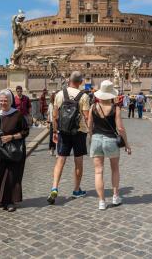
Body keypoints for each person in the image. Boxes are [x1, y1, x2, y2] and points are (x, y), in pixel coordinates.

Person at [0, 89, 29, 212]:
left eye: (5, 100)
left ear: (10, 101)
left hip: (12, 152)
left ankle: (10, 201)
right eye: (1, 100)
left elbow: (25, 132)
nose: (3, 103)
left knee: (10, 177)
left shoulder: (17, 115)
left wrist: (11, 137)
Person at [47, 71, 90, 204]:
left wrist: (55, 131)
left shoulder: (60, 94)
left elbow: (55, 115)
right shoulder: (84, 96)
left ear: (69, 80)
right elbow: (87, 116)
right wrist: (91, 132)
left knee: (60, 160)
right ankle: (76, 190)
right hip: (79, 132)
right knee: (78, 162)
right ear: (80, 82)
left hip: (63, 132)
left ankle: (54, 187)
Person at [88, 80, 131, 210]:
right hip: (111, 140)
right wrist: (127, 144)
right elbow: (121, 129)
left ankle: (101, 202)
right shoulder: (115, 108)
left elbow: (89, 126)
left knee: (98, 172)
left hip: (96, 139)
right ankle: (115, 196)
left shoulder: (93, 107)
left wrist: (91, 138)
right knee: (115, 169)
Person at [47, 91, 57, 156]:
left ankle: (58, 150)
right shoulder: (50, 105)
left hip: (57, 122)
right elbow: (48, 113)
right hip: (51, 122)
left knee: (57, 137)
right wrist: (47, 122)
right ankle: (52, 149)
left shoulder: (58, 104)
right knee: (51, 137)